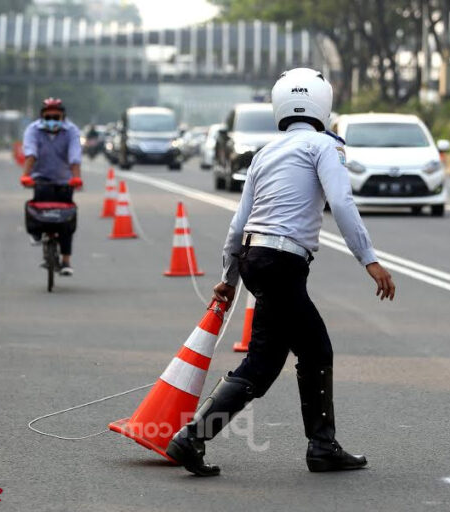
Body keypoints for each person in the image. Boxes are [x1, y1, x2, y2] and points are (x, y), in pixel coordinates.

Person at [166, 68, 396, 476]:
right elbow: (341, 203)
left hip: (255, 260)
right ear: (323, 105)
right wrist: (369, 259)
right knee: (316, 349)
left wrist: (229, 277)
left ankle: (193, 440)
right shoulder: (325, 146)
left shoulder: (265, 153)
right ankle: (321, 447)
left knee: (263, 363)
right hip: (283, 263)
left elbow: (239, 224)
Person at [21, 98, 83, 276]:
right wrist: (26, 175)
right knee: (37, 212)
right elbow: (30, 152)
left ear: (63, 116)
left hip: (65, 180)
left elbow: (74, 156)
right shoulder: (33, 130)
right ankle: (37, 233)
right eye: (48, 116)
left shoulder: (71, 131)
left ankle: (65, 261)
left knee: (66, 220)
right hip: (41, 179)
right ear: (42, 116)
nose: (52, 120)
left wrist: (76, 178)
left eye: (56, 116)